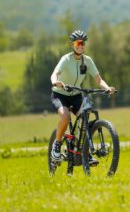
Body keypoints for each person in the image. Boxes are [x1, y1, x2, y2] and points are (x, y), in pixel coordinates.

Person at [50, 30, 116, 162]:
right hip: (60, 94)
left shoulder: (87, 61)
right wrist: (55, 82)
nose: (80, 45)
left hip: (75, 94)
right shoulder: (66, 59)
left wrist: (107, 88)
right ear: (73, 44)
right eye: (78, 43)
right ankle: (56, 145)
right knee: (65, 116)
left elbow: (99, 80)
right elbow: (55, 73)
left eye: (83, 43)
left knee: (86, 116)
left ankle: (85, 151)